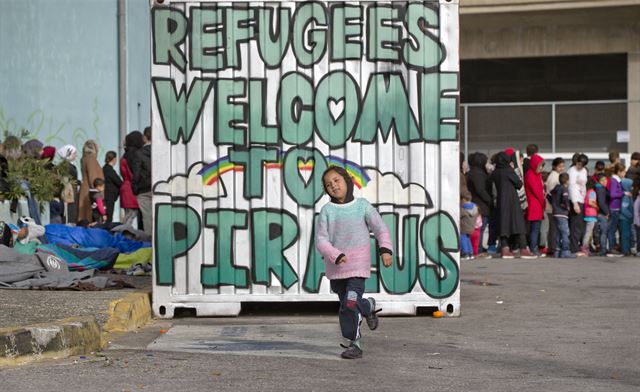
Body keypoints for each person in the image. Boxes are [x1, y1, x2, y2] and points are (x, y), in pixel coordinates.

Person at [315, 166, 392, 359]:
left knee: (349, 303)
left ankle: (354, 343)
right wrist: (335, 254)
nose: (333, 186)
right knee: (349, 304)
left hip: (357, 268)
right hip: (336, 270)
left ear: (347, 180)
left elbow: (381, 228)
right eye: (328, 184)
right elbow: (321, 240)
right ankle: (368, 306)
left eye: (336, 180)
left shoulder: (362, 206)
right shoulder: (327, 211)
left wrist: (385, 249)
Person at [490, 152, 536, 259]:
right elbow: (519, 184)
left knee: (504, 224)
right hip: (512, 200)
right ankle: (523, 249)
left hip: (501, 201)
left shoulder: (495, 172)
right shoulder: (508, 170)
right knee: (518, 224)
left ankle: (505, 249)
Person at [466, 152, 492, 255]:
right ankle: (478, 249)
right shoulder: (478, 174)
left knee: (477, 228)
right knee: (480, 227)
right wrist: (489, 200)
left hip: (475, 203)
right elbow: (480, 190)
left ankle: (477, 247)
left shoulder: (471, 173)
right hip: (480, 205)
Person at [131, 127, 152, 235]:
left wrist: (134, 188)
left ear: (144, 138)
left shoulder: (139, 153)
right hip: (161, 187)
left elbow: (137, 174)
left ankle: (150, 243)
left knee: (147, 217)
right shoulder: (163, 151)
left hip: (144, 189)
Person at [78, 140, 104, 223]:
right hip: (90, 190)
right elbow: (93, 177)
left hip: (85, 189)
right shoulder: (91, 159)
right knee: (89, 216)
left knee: (84, 215)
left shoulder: (84, 159)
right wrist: (98, 190)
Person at [550, 173, 575, 258]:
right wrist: (567, 207)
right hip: (562, 213)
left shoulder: (555, 188)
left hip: (555, 212)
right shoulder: (564, 189)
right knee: (565, 232)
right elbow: (565, 199)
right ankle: (565, 250)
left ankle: (557, 251)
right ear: (567, 180)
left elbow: (549, 196)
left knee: (558, 232)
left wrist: (554, 205)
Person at [525, 154, 545, 256]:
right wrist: (543, 202)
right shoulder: (530, 175)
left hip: (537, 205)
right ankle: (533, 248)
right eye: (540, 165)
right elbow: (537, 191)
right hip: (535, 205)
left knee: (535, 229)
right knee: (535, 229)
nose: (541, 168)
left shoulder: (536, 175)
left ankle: (534, 247)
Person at [568, 154, 588, 255]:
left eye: (582, 165)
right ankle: (574, 248)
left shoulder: (584, 171)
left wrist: (584, 198)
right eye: (578, 164)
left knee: (580, 225)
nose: (579, 166)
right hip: (574, 200)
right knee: (575, 225)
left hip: (581, 199)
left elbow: (584, 185)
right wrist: (575, 203)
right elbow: (571, 187)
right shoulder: (572, 170)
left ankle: (577, 247)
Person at [121, 132, 142, 226]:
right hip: (133, 189)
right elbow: (134, 175)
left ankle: (123, 235)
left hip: (125, 188)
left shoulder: (124, 157)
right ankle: (124, 235)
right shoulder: (137, 155)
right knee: (131, 216)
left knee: (128, 215)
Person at [545, 158, 565, 254]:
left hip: (552, 206)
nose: (562, 168)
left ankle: (552, 248)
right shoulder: (554, 177)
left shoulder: (555, 175)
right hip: (553, 207)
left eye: (562, 166)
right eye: (559, 166)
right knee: (554, 229)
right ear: (554, 166)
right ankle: (553, 248)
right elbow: (553, 193)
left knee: (553, 228)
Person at [57, 145, 79, 224]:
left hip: (72, 192)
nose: (76, 155)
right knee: (69, 213)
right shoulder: (65, 166)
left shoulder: (69, 165)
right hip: (68, 193)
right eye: (74, 153)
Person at [607, 163, 625, 257]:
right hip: (614, 208)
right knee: (612, 229)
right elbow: (613, 194)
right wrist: (623, 193)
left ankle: (613, 247)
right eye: (623, 172)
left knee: (613, 229)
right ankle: (611, 248)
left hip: (616, 208)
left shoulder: (617, 180)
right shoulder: (614, 180)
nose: (624, 173)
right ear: (618, 172)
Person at [103, 151, 123, 223]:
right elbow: (119, 182)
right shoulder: (109, 170)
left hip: (107, 195)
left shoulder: (105, 168)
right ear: (114, 159)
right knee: (109, 216)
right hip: (109, 196)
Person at [594, 174, 610, 256]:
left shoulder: (599, 188)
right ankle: (603, 249)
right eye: (602, 180)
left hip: (599, 213)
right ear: (599, 181)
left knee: (600, 231)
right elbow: (601, 203)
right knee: (603, 232)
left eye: (605, 179)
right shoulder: (600, 189)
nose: (605, 181)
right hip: (601, 213)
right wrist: (607, 212)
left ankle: (601, 248)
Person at [460, 191, 479, 260]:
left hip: (464, 227)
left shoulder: (462, 208)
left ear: (464, 199)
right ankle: (471, 253)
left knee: (463, 238)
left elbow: (459, 216)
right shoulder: (475, 207)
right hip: (471, 227)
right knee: (468, 239)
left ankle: (465, 253)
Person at [582, 178, 598, 255]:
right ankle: (585, 248)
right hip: (591, 214)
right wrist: (597, 207)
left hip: (587, 213)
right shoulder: (592, 192)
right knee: (589, 232)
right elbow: (590, 202)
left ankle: (586, 247)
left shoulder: (587, 192)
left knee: (588, 231)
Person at [619, 178, 634, 256]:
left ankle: (626, 249)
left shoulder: (628, 195)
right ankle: (625, 250)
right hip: (625, 219)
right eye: (631, 186)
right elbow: (623, 209)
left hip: (625, 219)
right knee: (625, 235)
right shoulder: (626, 197)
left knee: (626, 234)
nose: (632, 188)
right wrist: (631, 216)